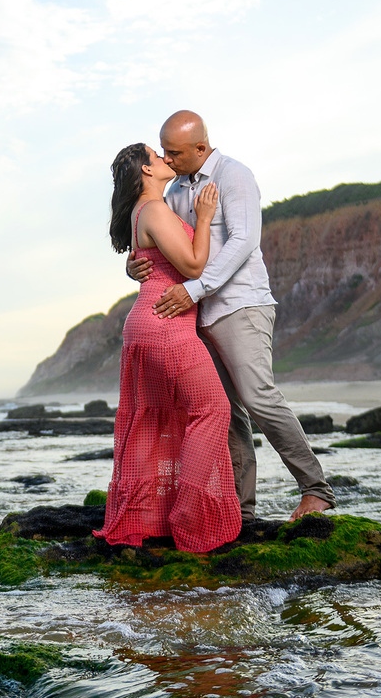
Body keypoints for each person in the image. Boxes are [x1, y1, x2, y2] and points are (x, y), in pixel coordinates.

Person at [128, 111, 335, 522]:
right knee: (224, 412)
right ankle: (243, 511)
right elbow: (166, 245)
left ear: (201, 148)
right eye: (163, 151)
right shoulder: (175, 193)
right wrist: (134, 266)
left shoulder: (234, 175)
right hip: (196, 315)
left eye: (175, 152)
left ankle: (317, 490)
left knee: (258, 397)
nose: (168, 158)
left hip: (241, 305)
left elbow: (243, 242)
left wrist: (195, 290)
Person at [94, 143, 242, 553]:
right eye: (156, 156)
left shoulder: (145, 210)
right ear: (146, 169)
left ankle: (155, 517)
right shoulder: (156, 209)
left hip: (148, 323)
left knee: (160, 419)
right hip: (166, 326)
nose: (164, 158)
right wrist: (208, 217)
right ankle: (189, 517)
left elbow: (148, 259)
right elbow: (193, 267)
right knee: (213, 410)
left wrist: (131, 266)